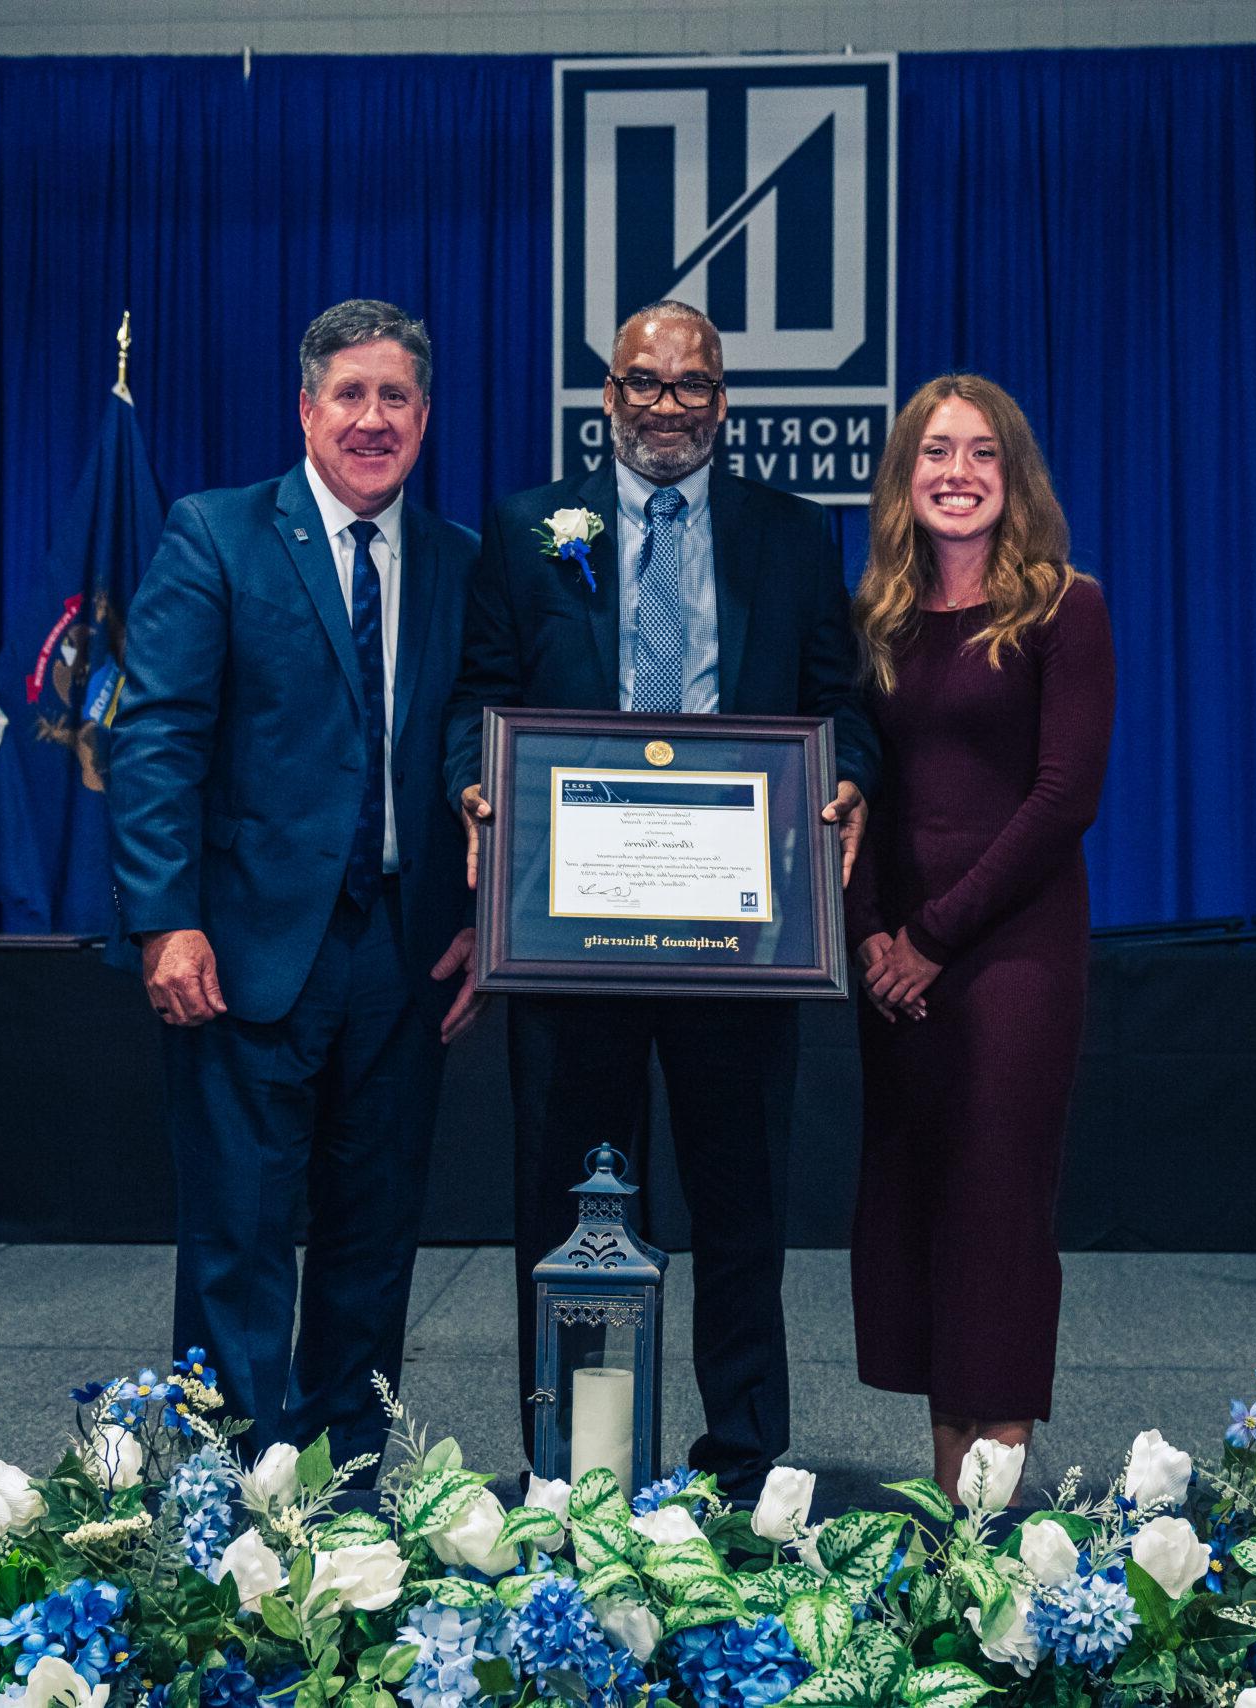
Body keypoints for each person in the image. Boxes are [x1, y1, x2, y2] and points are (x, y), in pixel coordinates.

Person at [445, 300, 879, 1499]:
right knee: (569, 1199)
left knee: (740, 1206)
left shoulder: (791, 534)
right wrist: (470, 793)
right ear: (608, 399)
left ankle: (743, 1463)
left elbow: (841, 706)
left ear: (724, 401)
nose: (666, 405)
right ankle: (579, 1460)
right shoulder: (534, 526)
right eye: (643, 382)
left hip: (737, 934)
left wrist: (846, 780)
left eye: (692, 385)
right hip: (570, 933)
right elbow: (481, 696)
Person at [108, 299, 485, 1475]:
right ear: (306, 409)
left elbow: (482, 748)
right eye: (350, 395)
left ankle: (350, 1481)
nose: (372, 419)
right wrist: (165, 918)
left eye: (396, 398)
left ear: (425, 418)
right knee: (240, 1240)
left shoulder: (466, 563)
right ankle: (223, 1503)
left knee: (374, 1242)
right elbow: (157, 736)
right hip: (244, 947)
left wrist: (491, 920)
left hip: (405, 950)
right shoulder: (215, 536)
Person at [842, 373, 1115, 1491]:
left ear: (1015, 477)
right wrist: (869, 938)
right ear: (906, 479)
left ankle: (995, 1503)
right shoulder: (877, 618)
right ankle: (949, 1492)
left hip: (1009, 957)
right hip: (896, 965)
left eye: (982, 454)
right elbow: (852, 788)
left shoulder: (1065, 606)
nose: (958, 474)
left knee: (997, 1212)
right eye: (935, 453)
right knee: (919, 1209)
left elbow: (1063, 797)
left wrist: (933, 938)